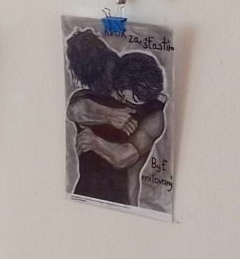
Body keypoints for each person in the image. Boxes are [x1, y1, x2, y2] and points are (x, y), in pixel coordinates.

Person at [64, 29, 168, 207]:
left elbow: (124, 157)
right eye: (121, 96)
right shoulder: (99, 96)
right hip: (85, 194)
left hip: (122, 200)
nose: (122, 102)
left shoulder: (154, 116)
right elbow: (74, 111)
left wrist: (95, 142)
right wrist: (110, 115)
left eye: (134, 101)